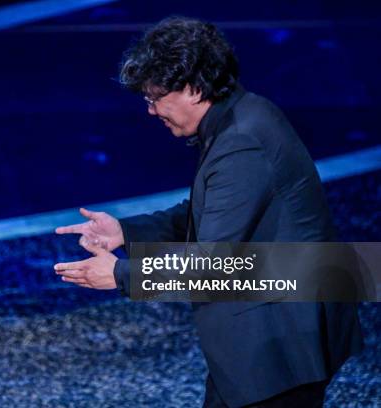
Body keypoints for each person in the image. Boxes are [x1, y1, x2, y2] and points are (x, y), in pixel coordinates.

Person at [54, 17, 362, 407]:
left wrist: (119, 274)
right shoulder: (241, 115)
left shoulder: (240, 145)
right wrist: (125, 232)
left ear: (194, 90)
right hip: (268, 334)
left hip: (282, 343)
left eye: (155, 98)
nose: (151, 111)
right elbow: (209, 213)